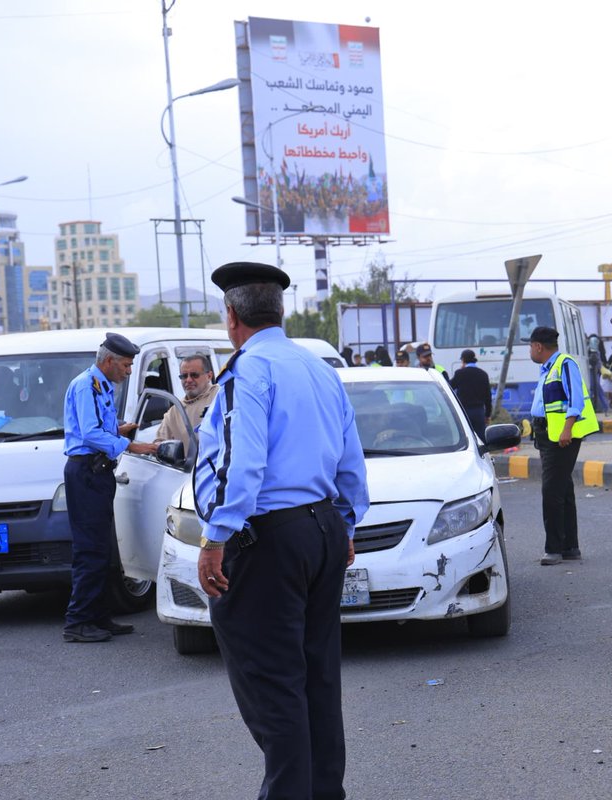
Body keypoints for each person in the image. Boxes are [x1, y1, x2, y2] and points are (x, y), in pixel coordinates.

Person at [194, 262, 369, 800]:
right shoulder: (316, 367)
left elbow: (243, 463)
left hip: (267, 538)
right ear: (279, 312)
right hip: (320, 529)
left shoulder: (248, 370)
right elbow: (350, 459)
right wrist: (345, 521)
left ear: (231, 316)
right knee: (317, 678)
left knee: (273, 686)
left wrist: (216, 536)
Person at [61, 332, 158, 643]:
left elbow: (96, 427)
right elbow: (89, 434)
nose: (128, 371)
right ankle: (78, 621)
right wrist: (129, 444)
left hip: (97, 472)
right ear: (108, 361)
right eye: (126, 365)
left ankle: (98, 616)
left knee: (103, 548)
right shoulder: (85, 386)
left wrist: (118, 429)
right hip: (87, 472)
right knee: (90, 549)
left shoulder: (101, 386)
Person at [526, 326, 598, 565]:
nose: (530, 350)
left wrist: (567, 429)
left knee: (552, 491)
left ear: (538, 346)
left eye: (530, 346)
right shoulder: (547, 369)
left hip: (560, 438)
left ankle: (554, 549)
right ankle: (570, 547)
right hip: (548, 435)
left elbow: (575, 401)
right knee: (563, 489)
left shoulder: (565, 364)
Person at [155, 354, 217, 456]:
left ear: (209, 376)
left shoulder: (220, 396)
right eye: (184, 376)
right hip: (188, 470)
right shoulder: (174, 412)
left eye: (194, 375)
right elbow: (159, 445)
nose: (188, 380)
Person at [449, 349, 492, 440]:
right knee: (481, 438)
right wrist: (487, 415)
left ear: (463, 360)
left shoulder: (459, 373)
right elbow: (488, 397)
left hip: (464, 412)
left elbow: (450, 388)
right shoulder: (483, 374)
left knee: (465, 437)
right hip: (479, 412)